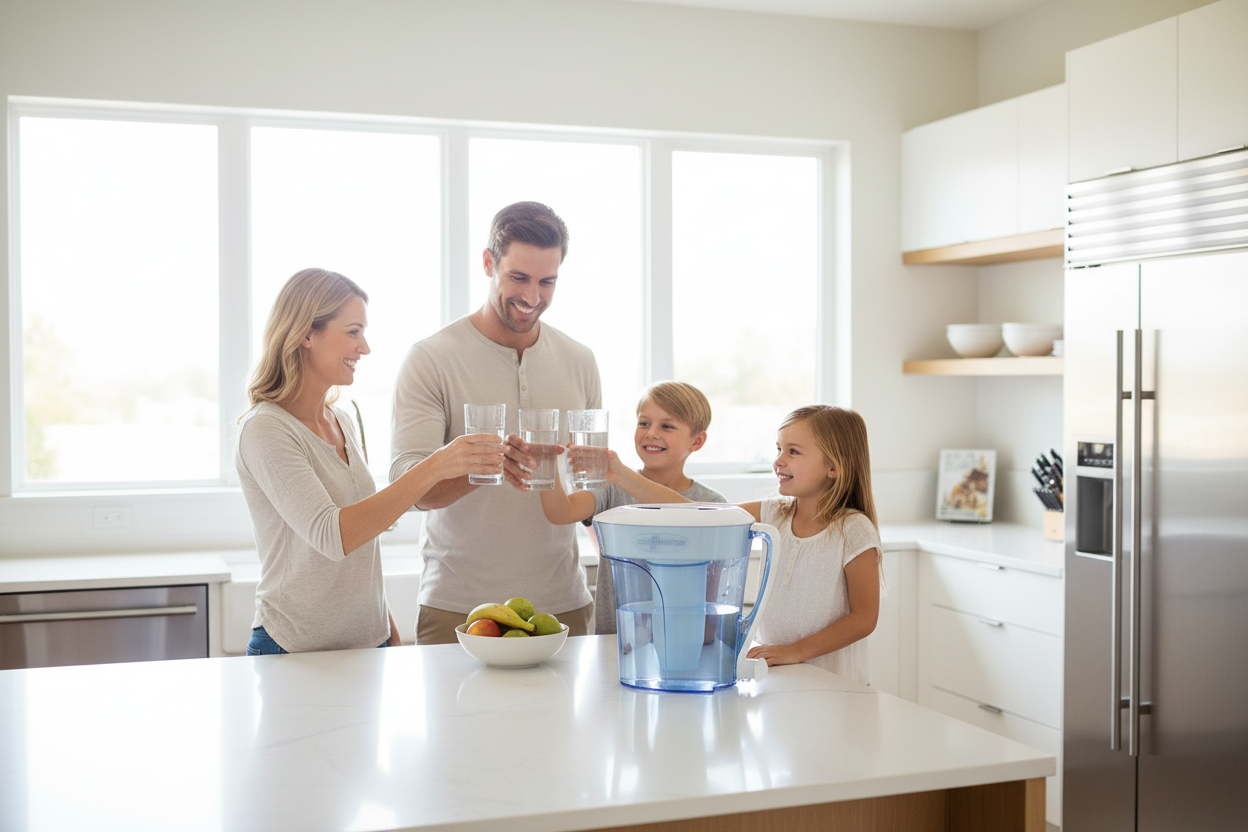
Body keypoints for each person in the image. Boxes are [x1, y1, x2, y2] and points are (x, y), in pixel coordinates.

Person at [236, 268, 505, 654]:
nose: (364, 348)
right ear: (306, 334)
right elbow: (333, 536)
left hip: (370, 640)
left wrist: (385, 624)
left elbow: (364, 537)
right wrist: (436, 465)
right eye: (353, 331)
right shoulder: (266, 430)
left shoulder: (341, 420)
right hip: (295, 648)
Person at [390, 201, 602, 645]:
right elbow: (408, 489)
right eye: (518, 278)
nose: (532, 297)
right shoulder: (432, 359)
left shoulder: (580, 361)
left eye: (548, 281)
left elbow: (591, 483)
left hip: (563, 605)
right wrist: (485, 467)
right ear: (489, 263)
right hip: (460, 608)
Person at [603, 405, 882, 686]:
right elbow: (695, 513)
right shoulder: (775, 513)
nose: (778, 461)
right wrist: (621, 475)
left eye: (793, 452)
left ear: (834, 466)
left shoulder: (853, 530)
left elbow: (864, 619)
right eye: (778, 450)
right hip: (777, 673)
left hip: (836, 685)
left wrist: (796, 651)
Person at [534, 381, 727, 635]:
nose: (651, 433)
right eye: (644, 423)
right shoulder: (611, 488)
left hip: (687, 643)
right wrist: (543, 462)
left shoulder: (712, 504)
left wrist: (620, 473)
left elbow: (692, 518)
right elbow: (561, 513)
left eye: (666, 426)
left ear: (697, 441)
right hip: (616, 644)